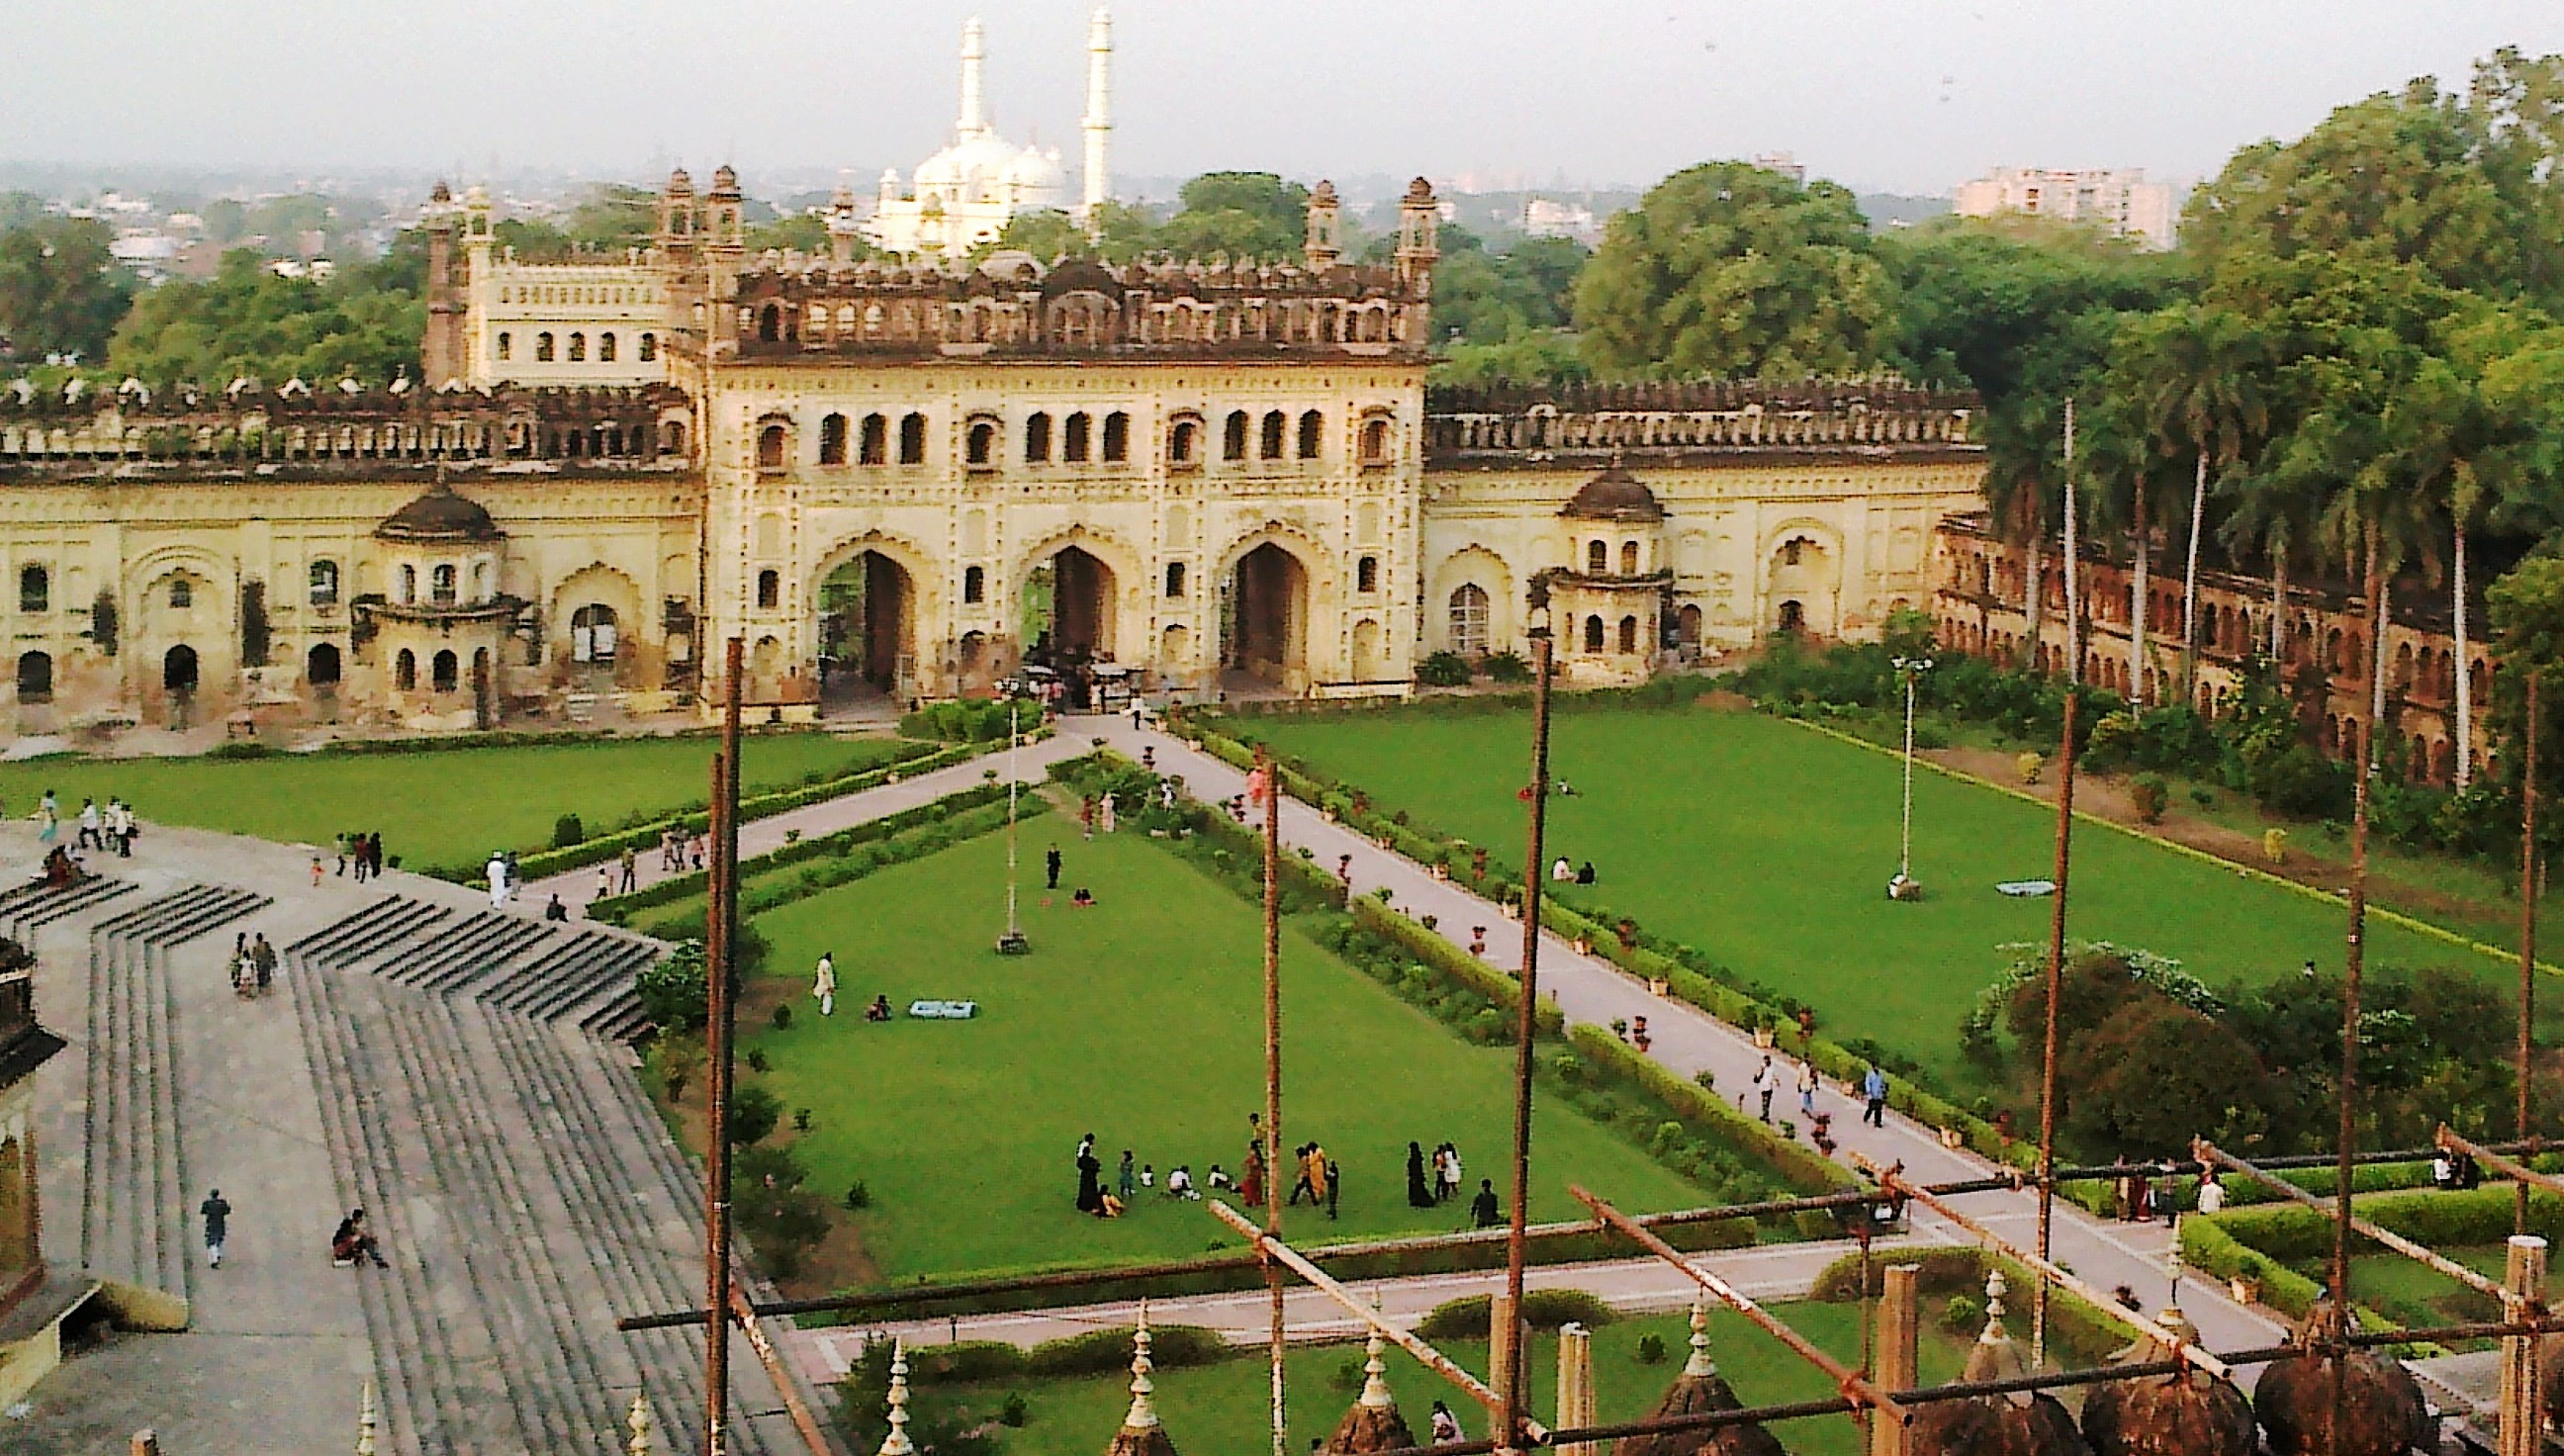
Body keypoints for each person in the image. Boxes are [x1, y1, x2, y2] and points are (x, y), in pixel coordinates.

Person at [200, 1188, 230, 1269]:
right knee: (219, 1239)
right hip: (220, 1223)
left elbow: (202, 1211)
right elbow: (227, 1211)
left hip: (211, 1224)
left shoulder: (207, 1203)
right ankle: (218, 1255)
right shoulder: (222, 1203)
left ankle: (214, 1259)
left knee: (211, 1241)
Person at [1075, 1141, 1105, 1215]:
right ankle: (1090, 1205)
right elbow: (1097, 1166)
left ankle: (1082, 1204)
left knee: (1084, 1189)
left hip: (1084, 1176)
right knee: (1091, 1190)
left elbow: (1079, 1165)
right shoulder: (1091, 1160)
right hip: (1091, 1177)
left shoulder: (1082, 1159)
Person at [1407, 1140, 1435, 1209]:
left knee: (1417, 1188)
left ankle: (1417, 1200)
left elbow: (1415, 1168)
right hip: (1416, 1176)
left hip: (1415, 1176)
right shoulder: (1417, 1156)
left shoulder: (1415, 1158)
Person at [1861, 1064, 1889, 1128]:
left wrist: (1884, 1089)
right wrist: (1869, 1092)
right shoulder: (1870, 1075)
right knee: (1871, 1108)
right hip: (1872, 1094)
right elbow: (1867, 1084)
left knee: (1878, 1109)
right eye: (1876, 1066)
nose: (1877, 1068)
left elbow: (1882, 1083)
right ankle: (1866, 1117)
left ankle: (1877, 1122)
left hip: (1879, 1094)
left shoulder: (1880, 1075)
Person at [812, 952, 837, 1017]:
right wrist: (830, 985)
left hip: (821, 981)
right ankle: (826, 1012)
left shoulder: (822, 962)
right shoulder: (827, 965)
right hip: (825, 984)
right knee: (827, 996)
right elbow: (827, 975)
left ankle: (824, 1009)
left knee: (822, 994)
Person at [1753, 1055, 1777, 1123]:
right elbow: (1758, 1075)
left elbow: (1774, 1075)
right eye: (1765, 1061)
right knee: (1764, 1102)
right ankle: (1765, 1115)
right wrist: (1761, 1070)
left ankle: (1766, 1115)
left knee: (1767, 1102)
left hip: (1769, 1087)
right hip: (1763, 1086)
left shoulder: (1772, 1067)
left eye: (1767, 1060)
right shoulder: (1762, 1067)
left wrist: (1777, 1081)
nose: (1766, 1062)